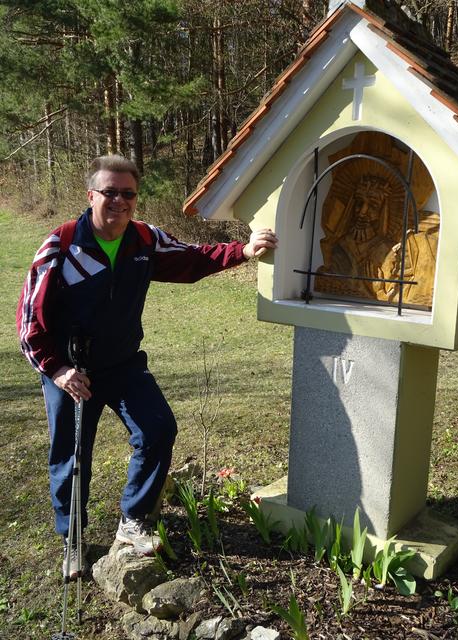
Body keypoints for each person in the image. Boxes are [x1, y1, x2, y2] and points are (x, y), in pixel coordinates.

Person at [16, 154, 278, 577]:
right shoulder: (60, 247)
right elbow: (30, 323)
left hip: (122, 365)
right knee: (72, 456)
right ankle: (73, 541)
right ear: (91, 195)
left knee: (157, 430)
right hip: (72, 373)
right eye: (109, 192)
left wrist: (243, 251)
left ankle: (132, 520)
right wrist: (59, 370)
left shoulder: (144, 239)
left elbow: (192, 258)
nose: (119, 201)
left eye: (128, 194)